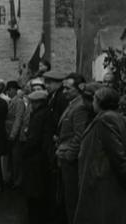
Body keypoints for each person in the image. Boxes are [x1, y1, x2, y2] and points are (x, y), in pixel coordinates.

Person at [74, 87, 126, 224]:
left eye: (95, 100)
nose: (92, 103)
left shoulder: (105, 119)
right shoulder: (114, 116)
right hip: (102, 177)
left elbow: (117, 153)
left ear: (100, 102)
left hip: (102, 180)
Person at [55, 73, 91, 224]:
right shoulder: (73, 105)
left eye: (68, 89)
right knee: (66, 199)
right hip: (64, 157)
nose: (64, 92)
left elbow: (80, 135)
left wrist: (69, 155)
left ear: (79, 89)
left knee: (72, 200)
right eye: (63, 88)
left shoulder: (80, 107)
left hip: (71, 162)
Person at [42, 71, 69, 224]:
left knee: (57, 184)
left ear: (59, 83)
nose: (46, 86)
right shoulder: (54, 97)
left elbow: (60, 120)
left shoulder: (60, 98)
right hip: (51, 143)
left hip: (56, 143)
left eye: (49, 82)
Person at [22, 90, 50, 224]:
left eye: (32, 102)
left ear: (38, 103)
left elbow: (34, 138)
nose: (31, 105)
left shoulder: (38, 116)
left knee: (34, 190)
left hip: (35, 157)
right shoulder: (45, 113)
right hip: (40, 156)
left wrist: (25, 151)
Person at [5, 81, 26, 188]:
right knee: (11, 159)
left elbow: (18, 119)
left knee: (16, 159)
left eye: (9, 90)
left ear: (13, 89)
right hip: (10, 134)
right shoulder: (12, 101)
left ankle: (17, 182)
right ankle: (12, 179)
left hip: (15, 136)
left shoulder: (19, 102)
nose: (8, 92)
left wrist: (13, 134)